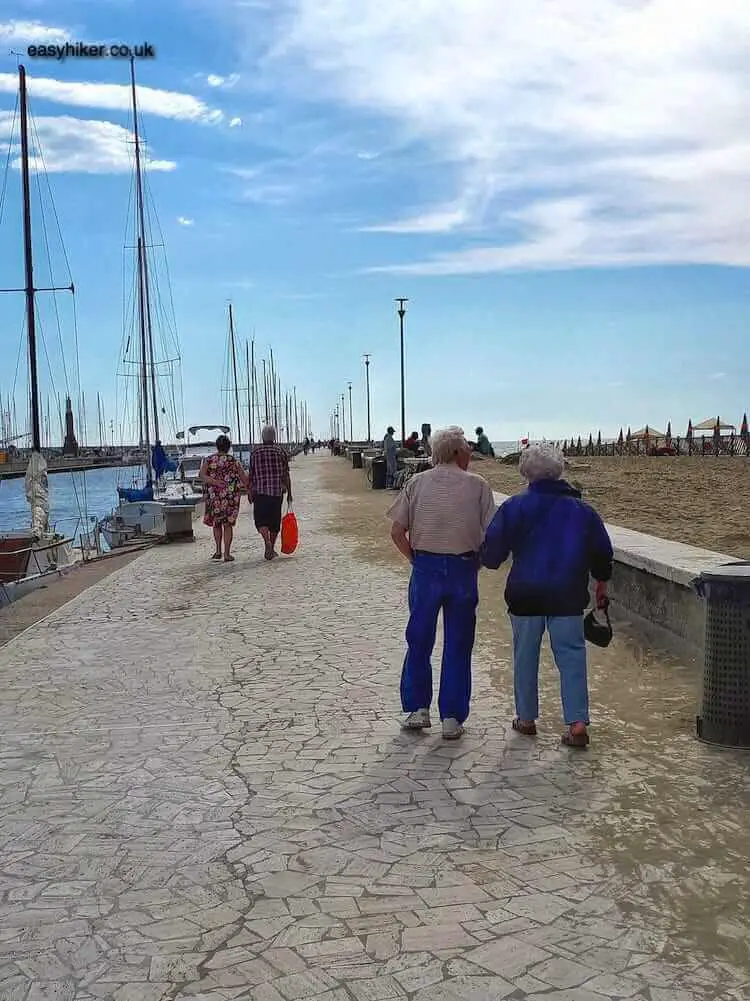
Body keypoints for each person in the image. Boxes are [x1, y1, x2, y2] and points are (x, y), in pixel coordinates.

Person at [480, 443, 613, 747]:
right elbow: (602, 553)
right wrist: (601, 584)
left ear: (526, 473)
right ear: (560, 471)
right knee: (572, 657)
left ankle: (526, 719)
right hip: (567, 595)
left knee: (525, 655)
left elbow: (492, 555)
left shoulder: (514, 507)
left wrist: (484, 556)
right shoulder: (583, 510)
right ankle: (577, 723)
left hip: (524, 595)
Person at [387, 426, 497, 740]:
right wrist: (478, 559)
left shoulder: (416, 483)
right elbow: (491, 533)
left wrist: (415, 560)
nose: (471, 455)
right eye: (468, 450)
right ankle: (451, 716)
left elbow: (397, 532)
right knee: (459, 643)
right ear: (458, 453)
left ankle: (417, 708)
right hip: (463, 567)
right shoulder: (478, 486)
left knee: (419, 640)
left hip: (426, 567)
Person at [199, 434, 249, 562]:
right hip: (231, 497)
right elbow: (244, 479)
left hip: (214, 497)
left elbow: (202, 475)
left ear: (217, 446)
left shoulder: (209, 460)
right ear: (228, 447)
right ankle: (227, 553)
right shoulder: (234, 461)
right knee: (228, 525)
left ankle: (217, 551)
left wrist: (214, 482)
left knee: (217, 524)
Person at [248, 424, 293, 561]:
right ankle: (271, 547)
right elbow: (286, 475)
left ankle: (266, 540)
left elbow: (251, 474)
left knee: (261, 521)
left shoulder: (255, 452)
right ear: (274, 437)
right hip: (276, 492)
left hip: (260, 492)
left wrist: (249, 491)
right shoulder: (280, 451)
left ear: (262, 436)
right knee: (274, 522)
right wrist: (290, 493)